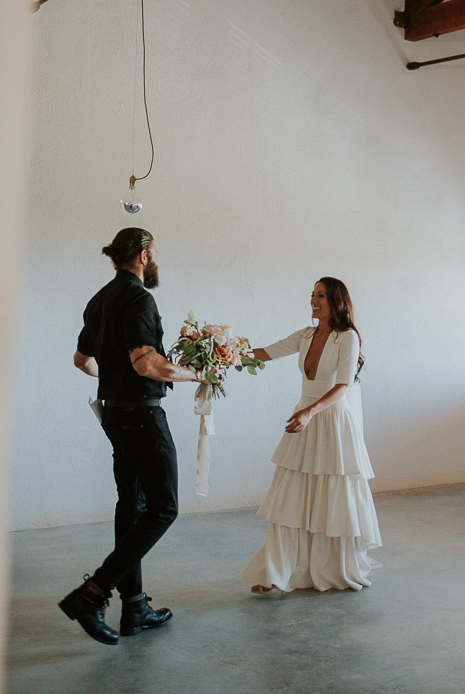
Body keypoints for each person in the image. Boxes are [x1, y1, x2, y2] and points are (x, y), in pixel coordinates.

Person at [59, 227, 209, 645]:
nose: (157, 258)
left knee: (131, 507)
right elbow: (146, 364)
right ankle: (92, 593)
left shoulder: (100, 299)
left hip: (113, 417)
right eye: (156, 251)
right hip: (143, 418)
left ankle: (135, 606)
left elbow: (81, 360)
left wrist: (114, 381)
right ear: (143, 255)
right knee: (163, 508)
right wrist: (200, 373)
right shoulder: (140, 298)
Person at [240, 277, 382, 593]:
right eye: (312, 295)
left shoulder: (347, 338)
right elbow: (264, 353)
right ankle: (276, 572)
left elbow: (341, 387)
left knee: (331, 497)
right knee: (289, 498)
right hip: (303, 419)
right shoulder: (306, 334)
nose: (313, 301)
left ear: (336, 301)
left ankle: (332, 567)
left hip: (330, 422)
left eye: (321, 295)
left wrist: (309, 412)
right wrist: (221, 351)